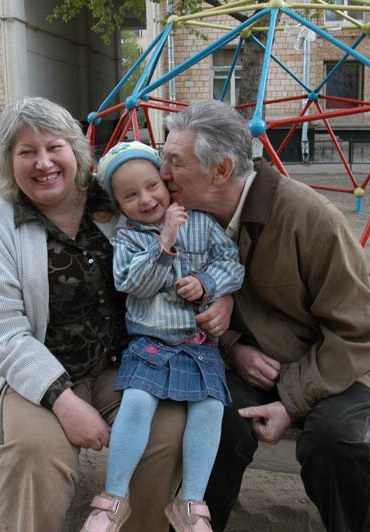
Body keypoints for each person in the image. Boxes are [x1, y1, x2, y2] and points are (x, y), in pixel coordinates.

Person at [0, 97, 231, 532]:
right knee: (35, 451)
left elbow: (197, 244)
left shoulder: (116, 199)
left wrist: (220, 294)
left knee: (166, 435)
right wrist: (63, 400)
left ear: (76, 150)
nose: (43, 163)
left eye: (54, 147)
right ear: (8, 161)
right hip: (40, 372)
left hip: (126, 363)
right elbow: (0, 330)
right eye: (26, 151)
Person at [159, 100, 370, 532]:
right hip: (253, 365)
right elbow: (171, 309)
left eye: (175, 162)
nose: (163, 173)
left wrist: (290, 401)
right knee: (214, 426)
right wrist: (233, 348)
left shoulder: (311, 219)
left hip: (338, 363)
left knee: (332, 442)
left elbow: (359, 335)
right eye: (163, 158)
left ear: (221, 170)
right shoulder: (188, 221)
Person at [80, 141, 244, 532]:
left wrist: (207, 284)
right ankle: (113, 500)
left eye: (152, 186)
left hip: (198, 346)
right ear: (118, 205)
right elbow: (131, 284)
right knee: (136, 402)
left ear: (165, 182)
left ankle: (191, 503)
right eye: (130, 196)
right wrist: (164, 242)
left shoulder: (201, 222)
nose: (146, 199)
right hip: (149, 344)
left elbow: (232, 264)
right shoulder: (126, 239)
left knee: (210, 409)